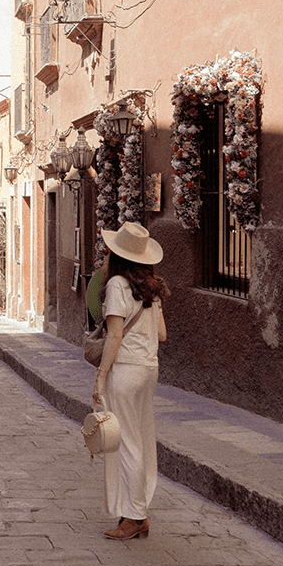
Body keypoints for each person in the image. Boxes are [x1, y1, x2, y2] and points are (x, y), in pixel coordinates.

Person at [91, 222, 169, 541]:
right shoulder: (152, 287)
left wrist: (100, 376)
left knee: (127, 444)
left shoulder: (117, 286)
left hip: (125, 370)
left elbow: (115, 335)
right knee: (141, 439)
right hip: (149, 368)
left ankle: (135, 516)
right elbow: (162, 334)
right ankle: (135, 511)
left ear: (117, 255)